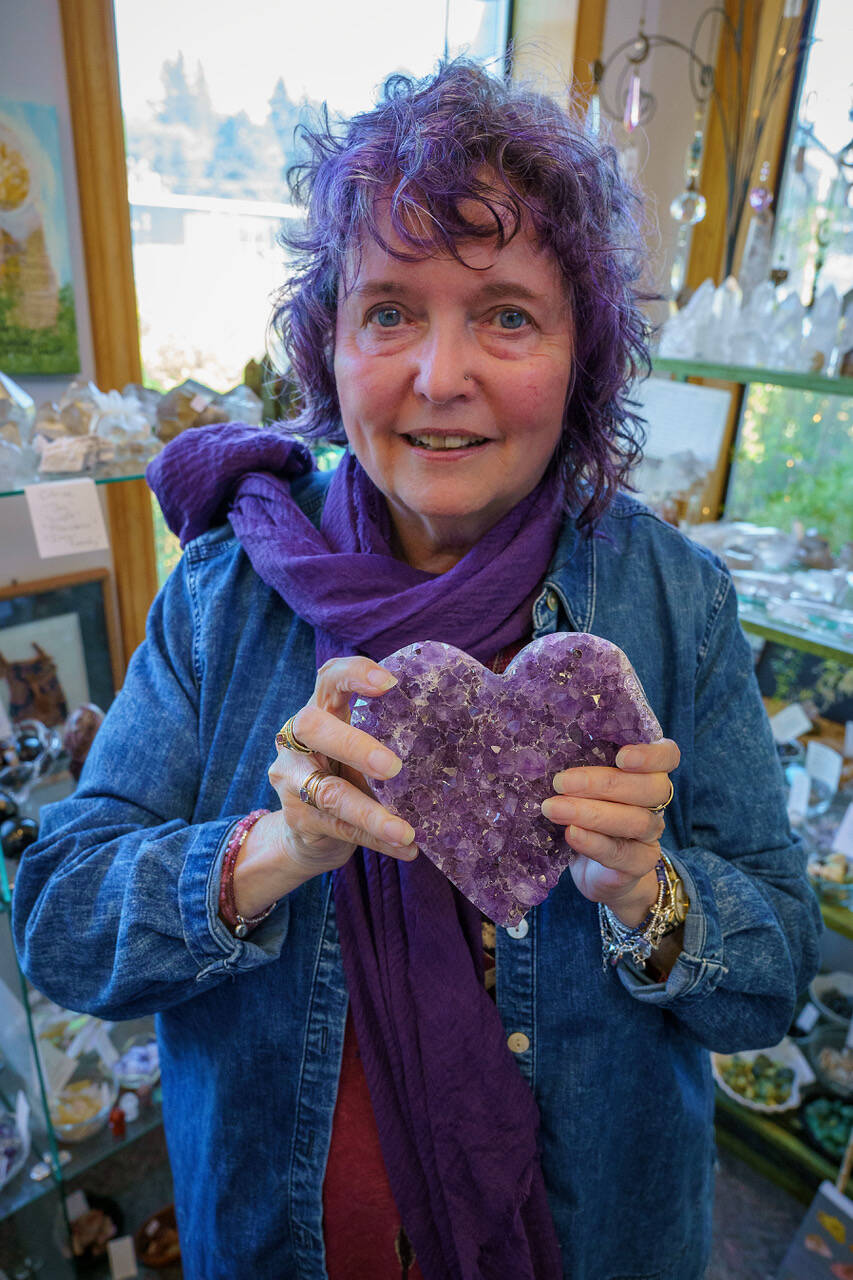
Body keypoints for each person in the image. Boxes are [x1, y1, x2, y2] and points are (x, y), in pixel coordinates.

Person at [13, 60, 821, 1280]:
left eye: (506, 313)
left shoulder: (669, 601)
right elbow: (61, 925)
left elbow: (771, 981)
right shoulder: (228, 592)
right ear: (329, 348)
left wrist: (654, 895)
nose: (440, 377)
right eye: (389, 310)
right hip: (286, 1237)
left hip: (591, 1236)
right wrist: (266, 854)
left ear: (580, 352)